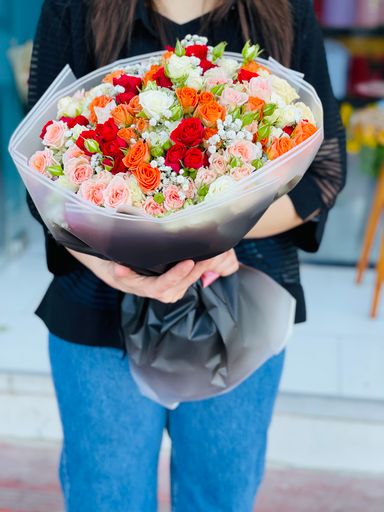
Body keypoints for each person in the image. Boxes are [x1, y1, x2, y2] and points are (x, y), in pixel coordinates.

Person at [27, 1, 346, 510]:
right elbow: (44, 184)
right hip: (99, 306)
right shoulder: (75, 7)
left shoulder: (282, 9)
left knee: (219, 496)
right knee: (105, 497)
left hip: (241, 306)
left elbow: (324, 175)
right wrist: (115, 267)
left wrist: (212, 233)